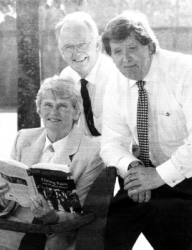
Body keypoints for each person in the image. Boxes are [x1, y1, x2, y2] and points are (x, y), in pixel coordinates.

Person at [100, 10, 192, 250]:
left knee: (177, 236)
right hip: (142, 175)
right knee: (102, 236)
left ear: (150, 47)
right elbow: (111, 144)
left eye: (132, 48)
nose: (125, 58)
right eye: (117, 52)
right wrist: (134, 169)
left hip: (187, 177)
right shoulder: (115, 83)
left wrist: (157, 177)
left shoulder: (184, 71)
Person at [0, 76, 105, 250]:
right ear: (39, 110)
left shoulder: (91, 152)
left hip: (54, 231)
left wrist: (52, 217)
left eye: (62, 106)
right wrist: (4, 194)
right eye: (48, 105)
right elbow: (1, 201)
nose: (54, 112)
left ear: (76, 112)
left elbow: (80, 212)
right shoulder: (23, 138)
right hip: (12, 220)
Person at [56, 11, 125, 136]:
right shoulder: (66, 78)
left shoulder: (117, 76)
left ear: (97, 44)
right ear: (61, 52)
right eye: (68, 47)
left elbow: (123, 138)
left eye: (82, 44)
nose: (76, 52)